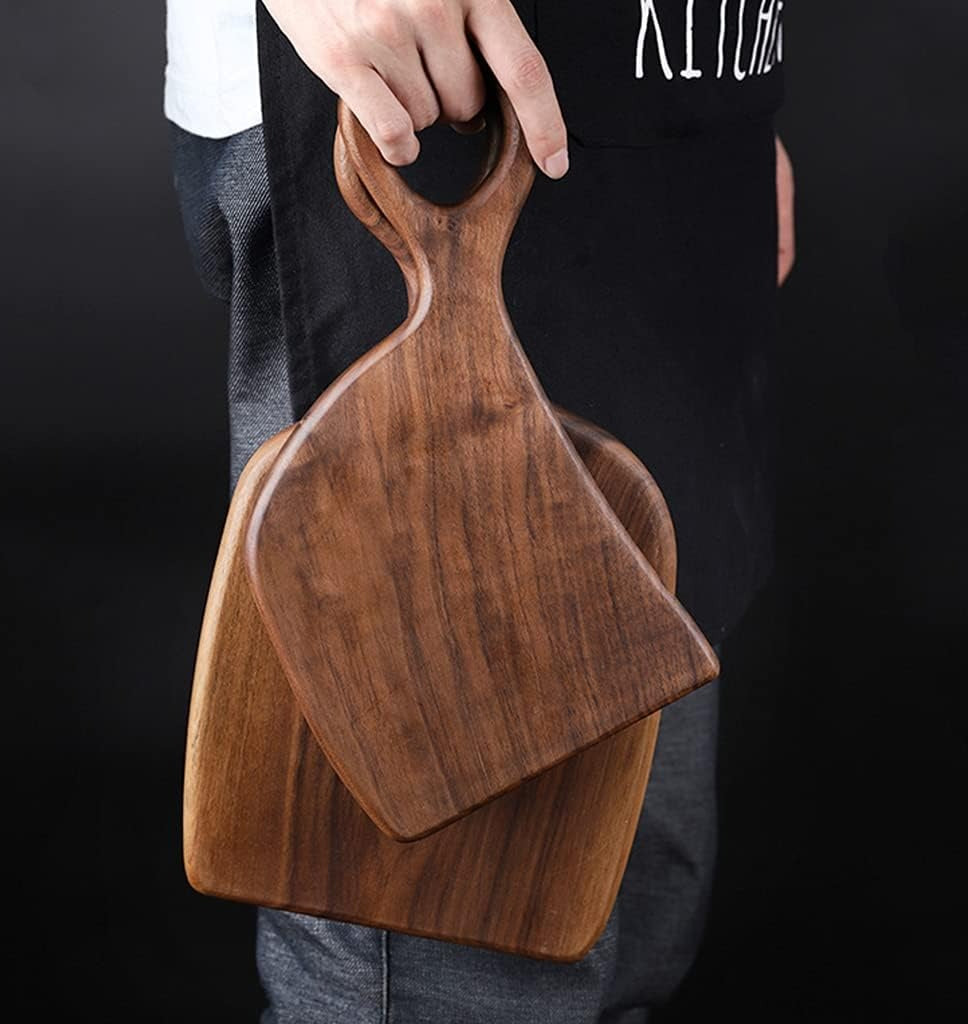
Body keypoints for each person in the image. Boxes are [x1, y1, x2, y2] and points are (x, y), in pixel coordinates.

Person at [167, 2, 795, 1021]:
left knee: (627, 909)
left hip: (677, 100)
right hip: (411, 78)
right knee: (465, 947)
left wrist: (718, 100)